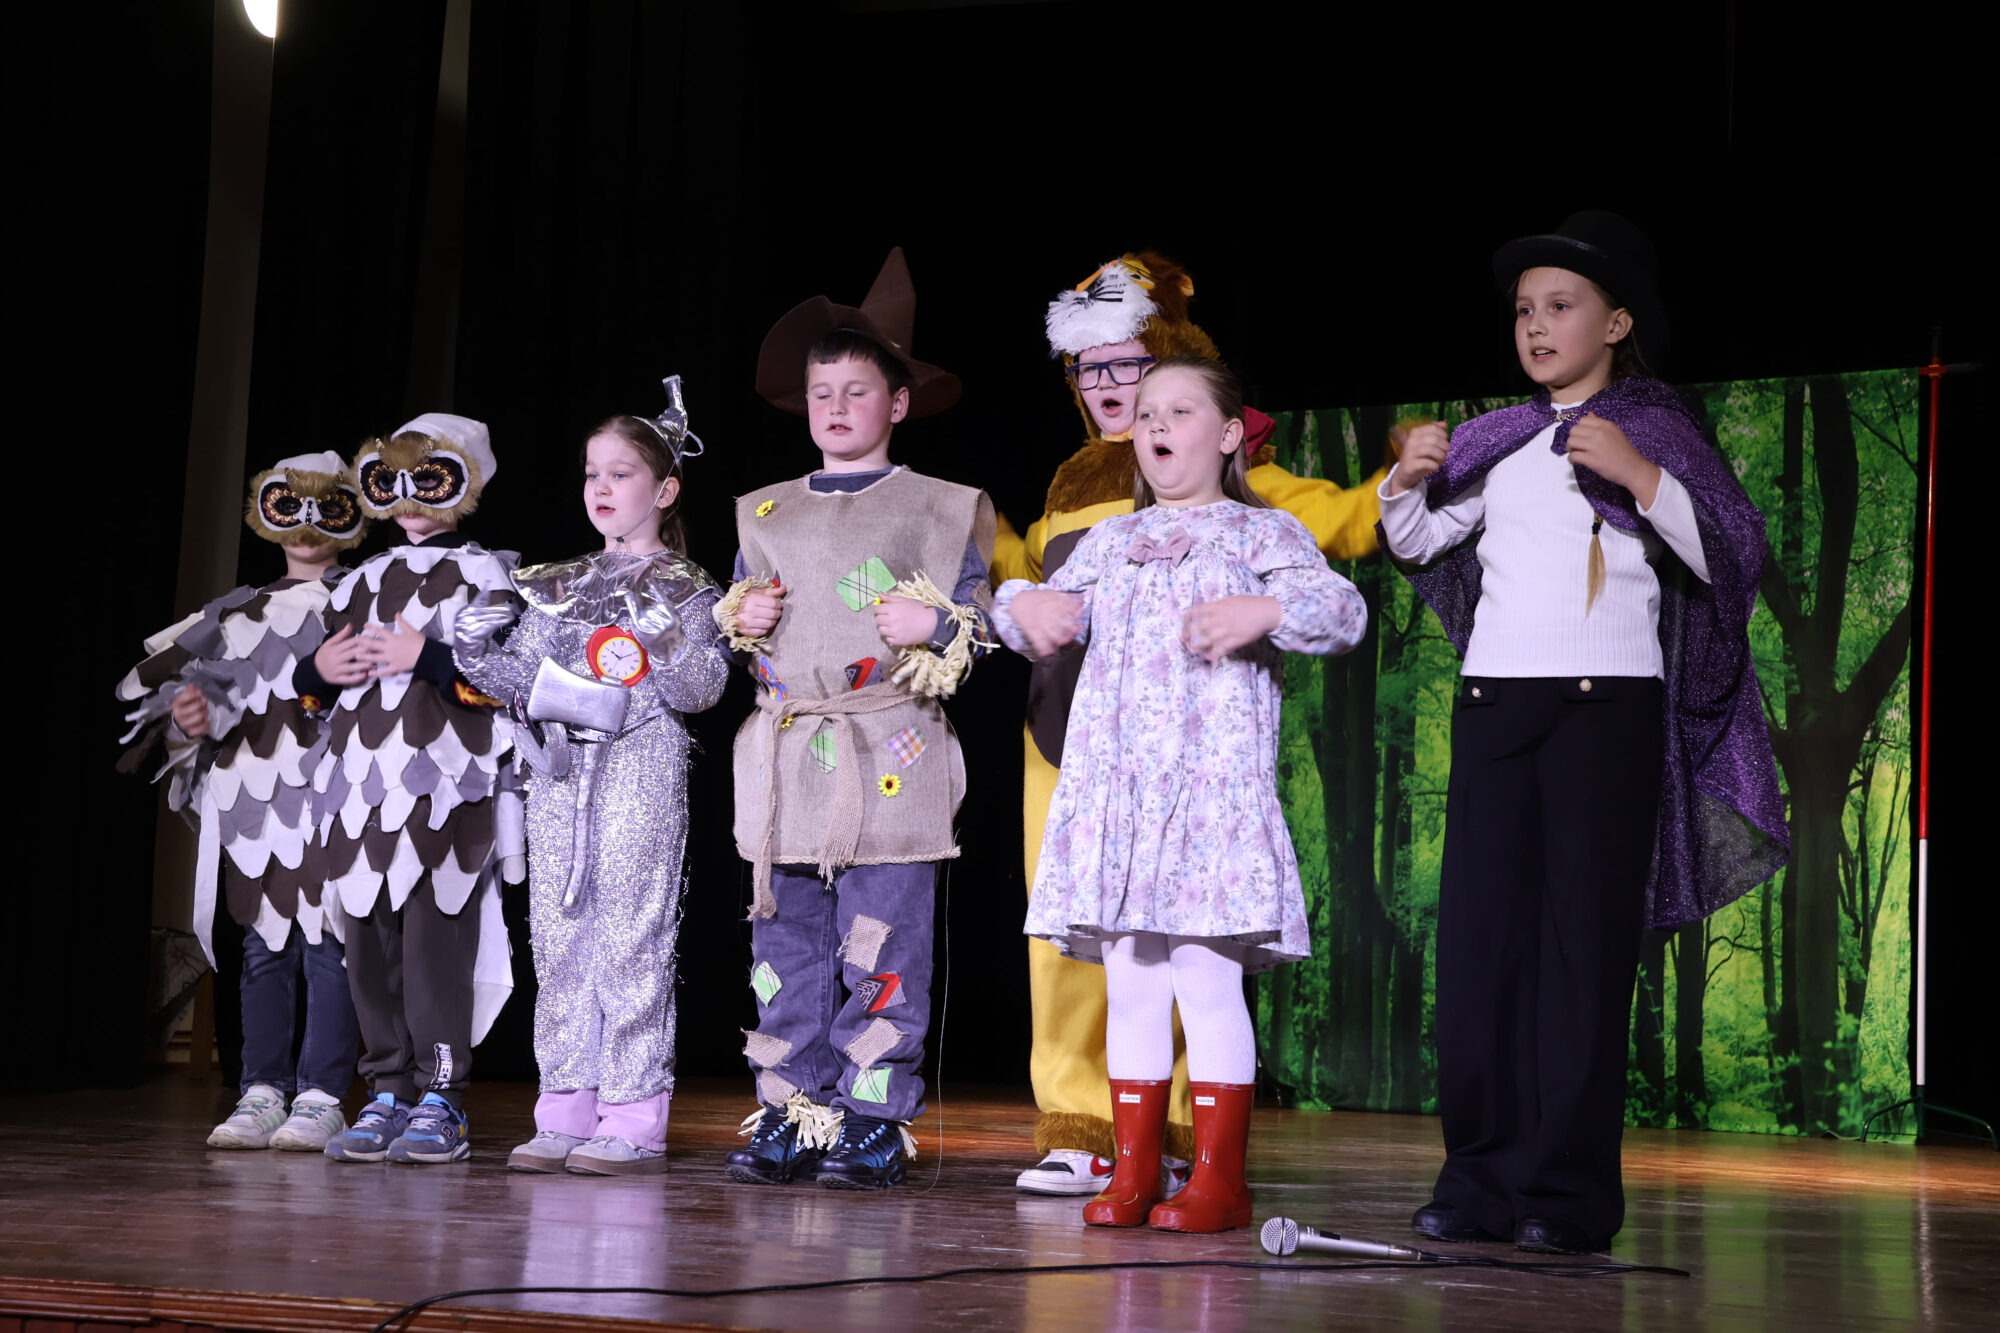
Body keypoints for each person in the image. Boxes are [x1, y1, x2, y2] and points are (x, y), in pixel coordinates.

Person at [1378, 212, 1787, 1253]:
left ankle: (1564, 1197)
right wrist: (1405, 481)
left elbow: (1730, 553)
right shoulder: (1502, 439)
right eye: (1523, 309)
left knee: (1580, 952)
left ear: (1615, 322)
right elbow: (1420, 542)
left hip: (1607, 711)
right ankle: (1476, 1180)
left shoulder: (1653, 430)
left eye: (1559, 306)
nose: (1534, 324)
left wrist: (1643, 479)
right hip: (1493, 706)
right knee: (1481, 948)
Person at [996, 251, 1390, 1197]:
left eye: (1179, 411)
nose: (1156, 425)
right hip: (1119, 808)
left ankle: (1215, 1176)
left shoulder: (1262, 533)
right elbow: (1043, 610)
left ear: (1229, 434)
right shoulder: (1113, 541)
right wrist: (1021, 606)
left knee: (1206, 987)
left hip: (1209, 808)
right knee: (1131, 983)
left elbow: (1343, 612)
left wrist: (1267, 609)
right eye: (1147, 415)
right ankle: (1132, 1170)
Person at [716, 248, 995, 1190]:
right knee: (783, 942)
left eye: (857, 390)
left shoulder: (940, 507)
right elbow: (747, 629)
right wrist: (742, 616)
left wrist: (938, 625)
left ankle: (874, 1112)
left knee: (883, 940)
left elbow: (980, 630)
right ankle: (793, 1105)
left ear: (898, 403)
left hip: (889, 748)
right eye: (821, 391)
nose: (836, 406)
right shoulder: (765, 509)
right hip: (791, 753)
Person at [453, 380, 731, 1176]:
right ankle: (565, 1106)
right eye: (591, 473)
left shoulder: (689, 586)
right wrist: (473, 651)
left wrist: (664, 634)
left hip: (641, 762)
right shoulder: (556, 581)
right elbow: (521, 678)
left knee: (633, 934)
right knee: (559, 934)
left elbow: (702, 690)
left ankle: (634, 1113)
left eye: (620, 473)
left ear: (665, 489)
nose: (601, 487)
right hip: (560, 770)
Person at [118, 452, 369, 1151]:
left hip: (334, 798)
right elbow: (194, 704)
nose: (309, 524)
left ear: (353, 516)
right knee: (264, 944)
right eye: (292, 506)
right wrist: (192, 718)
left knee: (329, 941)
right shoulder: (234, 616)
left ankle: (322, 1095)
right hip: (257, 809)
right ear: (267, 514)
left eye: (328, 507)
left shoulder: (363, 602)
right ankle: (262, 1088)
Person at [293, 413, 525, 1165]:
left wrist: (429, 657)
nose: (410, 496)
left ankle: (441, 1093)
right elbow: (312, 688)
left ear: (465, 483)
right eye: (391, 479)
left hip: (446, 782)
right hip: (361, 786)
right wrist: (316, 675)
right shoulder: (358, 580)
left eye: (430, 478)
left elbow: (504, 681)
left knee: (434, 936)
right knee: (367, 934)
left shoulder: (486, 574)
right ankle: (387, 1086)